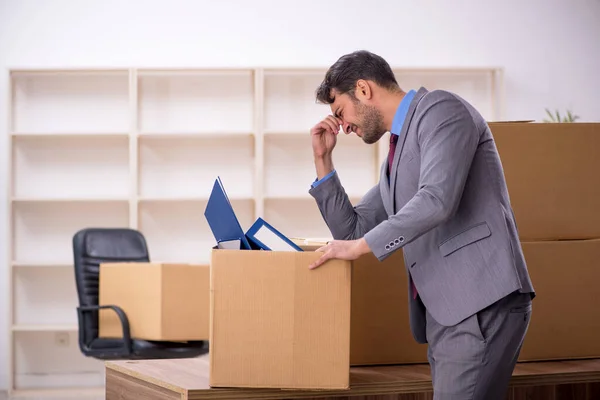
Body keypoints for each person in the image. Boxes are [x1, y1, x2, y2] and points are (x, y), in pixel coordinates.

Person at [306, 50, 535, 400]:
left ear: (364, 90)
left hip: (479, 301)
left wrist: (357, 249)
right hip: (449, 312)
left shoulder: (441, 110)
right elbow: (353, 230)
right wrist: (323, 160)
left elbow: (437, 200)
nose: (344, 126)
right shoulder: (395, 160)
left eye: (341, 112)